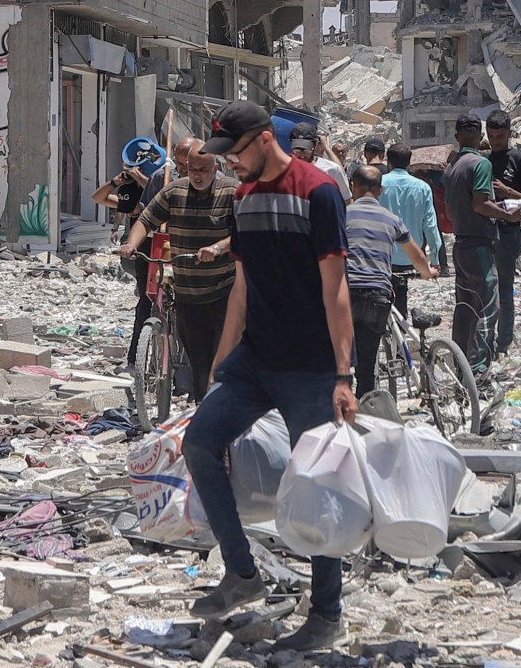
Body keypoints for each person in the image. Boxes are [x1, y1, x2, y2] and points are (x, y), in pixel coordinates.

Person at [180, 102, 356, 654]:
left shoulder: (318, 192)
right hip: (254, 362)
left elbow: (337, 289)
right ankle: (243, 573)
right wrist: (219, 365)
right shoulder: (242, 199)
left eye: (234, 152)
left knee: (317, 486)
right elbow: (242, 287)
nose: (229, 164)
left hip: (310, 369)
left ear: (262, 140)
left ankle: (327, 612)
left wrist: (344, 374)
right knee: (199, 443)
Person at [121, 137, 235, 401]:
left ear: (215, 169)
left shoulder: (231, 192)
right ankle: (201, 412)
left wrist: (217, 249)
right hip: (187, 292)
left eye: (202, 170)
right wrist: (130, 243)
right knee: (197, 359)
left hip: (223, 291)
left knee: (221, 359)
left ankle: (219, 411)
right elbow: (145, 220)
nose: (196, 175)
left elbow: (243, 232)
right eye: (192, 169)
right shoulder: (174, 191)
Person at [342, 165, 435, 400]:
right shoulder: (392, 219)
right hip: (378, 295)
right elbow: (416, 256)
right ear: (380, 190)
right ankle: (366, 412)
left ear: (353, 186)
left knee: (341, 359)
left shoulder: (342, 215)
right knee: (368, 361)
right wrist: (427, 272)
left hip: (346, 295)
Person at [442, 117, 517, 370]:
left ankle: (460, 366)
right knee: (488, 307)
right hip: (479, 245)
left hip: (460, 244)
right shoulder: (481, 164)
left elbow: (451, 211)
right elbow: (480, 203)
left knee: (465, 308)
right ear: (480, 136)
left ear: (457, 136)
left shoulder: (451, 167)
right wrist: (509, 214)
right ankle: (478, 369)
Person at [93, 148, 161, 336]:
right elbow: (99, 198)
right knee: (145, 302)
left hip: (161, 251)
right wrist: (115, 182)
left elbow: (160, 194)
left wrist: (138, 176)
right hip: (141, 255)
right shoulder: (131, 195)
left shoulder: (159, 191)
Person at [484, 113, 521, 355]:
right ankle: (485, 340)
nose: (495, 141)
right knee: (485, 290)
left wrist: (508, 192)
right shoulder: (481, 162)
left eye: (500, 137)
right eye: (491, 136)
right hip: (483, 233)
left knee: (504, 289)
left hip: (508, 234)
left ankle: (503, 341)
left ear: (509, 134)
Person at [375, 148, 441, 321]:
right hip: (409, 256)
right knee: (400, 296)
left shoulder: (377, 184)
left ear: (388, 162)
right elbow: (431, 225)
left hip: (380, 255)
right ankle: (399, 339)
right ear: (409, 163)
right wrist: (434, 259)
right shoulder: (422, 187)